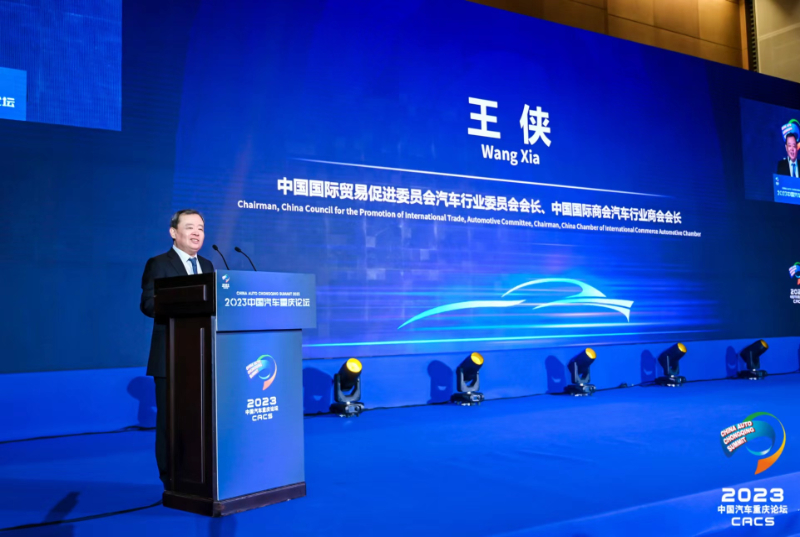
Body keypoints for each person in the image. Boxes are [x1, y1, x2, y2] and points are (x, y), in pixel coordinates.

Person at [140, 209, 214, 489]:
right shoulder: (159, 263)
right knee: (171, 421)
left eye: (201, 229)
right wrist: (183, 303)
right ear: (173, 232)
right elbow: (148, 304)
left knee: (200, 421)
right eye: (190, 227)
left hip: (203, 357)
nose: (197, 233)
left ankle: (199, 473)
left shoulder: (208, 265)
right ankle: (171, 478)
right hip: (170, 357)